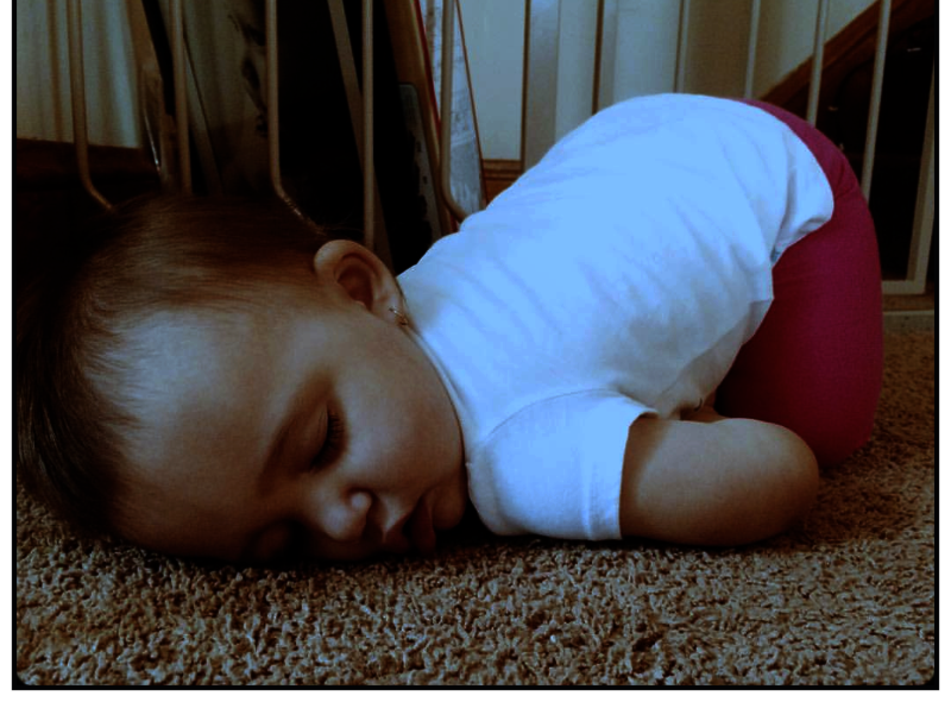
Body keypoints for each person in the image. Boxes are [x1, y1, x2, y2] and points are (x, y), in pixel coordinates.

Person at [16, 94, 883, 565]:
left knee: (827, 426)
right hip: (644, 128)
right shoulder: (403, 297)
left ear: (362, 287)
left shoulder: (521, 451)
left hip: (792, 189)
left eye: (323, 442)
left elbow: (781, 472)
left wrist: (670, 452)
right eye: (284, 543)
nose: (340, 519)